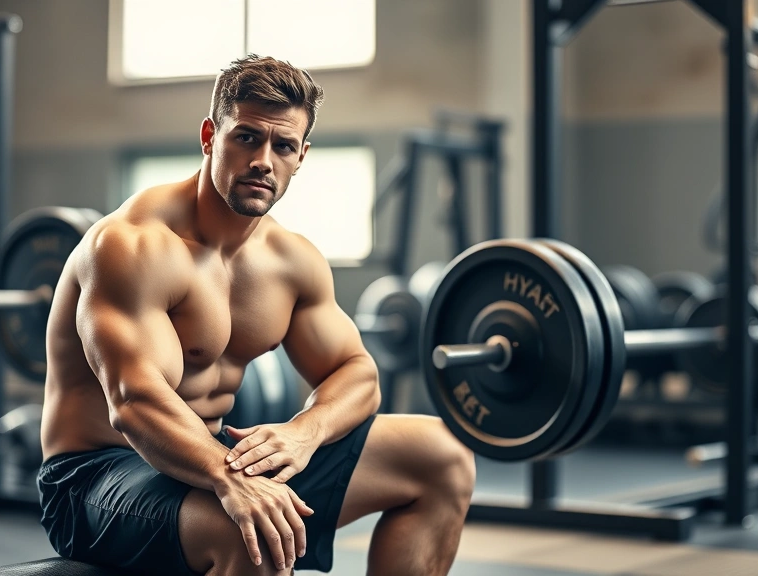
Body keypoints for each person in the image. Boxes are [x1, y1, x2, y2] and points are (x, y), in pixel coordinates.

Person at [36, 54, 476, 576]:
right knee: (256, 535)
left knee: (443, 455)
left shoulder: (290, 261)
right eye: (246, 137)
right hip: (96, 476)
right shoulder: (131, 246)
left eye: (283, 145)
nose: (263, 160)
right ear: (209, 135)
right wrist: (233, 479)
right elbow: (135, 401)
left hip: (219, 453)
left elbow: (357, 373)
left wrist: (304, 432)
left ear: (301, 156)